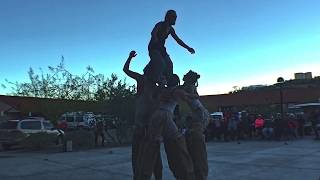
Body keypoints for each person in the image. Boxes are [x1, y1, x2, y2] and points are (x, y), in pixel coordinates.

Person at [137, 74, 196, 180]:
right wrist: (194, 91)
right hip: (165, 115)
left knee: (151, 145)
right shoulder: (177, 91)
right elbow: (190, 97)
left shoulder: (163, 90)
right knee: (178, 141)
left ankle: (143, 174)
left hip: (156, 116)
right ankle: (185, 172)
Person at [123, 51, 163, 180]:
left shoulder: (155, 85)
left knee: (146, 160)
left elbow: (126, 70)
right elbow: (126, 70)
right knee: (150, 160)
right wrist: (129, 58)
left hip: (147, 129)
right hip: (144, 129)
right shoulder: (144, 81)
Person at [145, 10, 195, 85]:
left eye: (175, 17)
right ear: (168, 17)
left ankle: (169, 83)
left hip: (161, 48)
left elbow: (178, 40)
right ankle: (158, 79)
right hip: (154, 47)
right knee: (161, 63)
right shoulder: (160, 24)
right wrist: (155, 38)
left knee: (170, 64)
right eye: (174, 17)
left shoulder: (171, 29)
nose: (175, 19)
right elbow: (153, 32)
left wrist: (188, 48)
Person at [182, 70, 209, 180]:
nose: (183, 76)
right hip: (198, 111)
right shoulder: (189, 86)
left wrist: (186, 95)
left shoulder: (189, 87)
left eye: (185, 75)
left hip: (198, 112)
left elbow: (195, 97)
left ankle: (198, 173)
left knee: (195, 137)